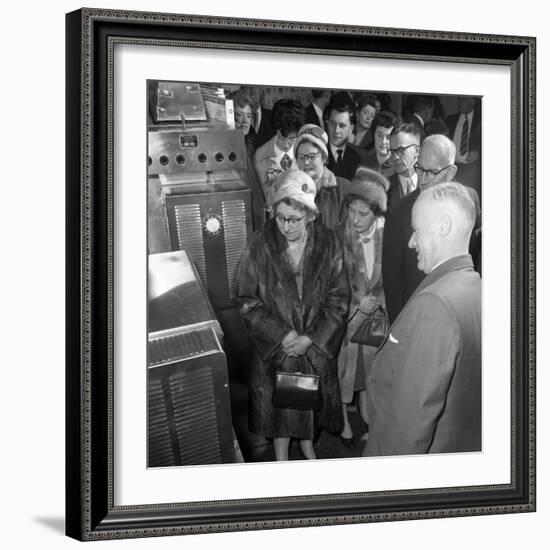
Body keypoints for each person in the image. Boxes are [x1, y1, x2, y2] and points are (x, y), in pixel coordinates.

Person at [234, 169, 350, 461]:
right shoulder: (259, 245)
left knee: (308, 405)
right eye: (280, 217)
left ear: (311, 215)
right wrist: (282, 335)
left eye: (294, 219)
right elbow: (247, 300)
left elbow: (339, 299)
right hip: (276, 349)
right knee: (281, 413)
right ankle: (281, 457)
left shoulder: (329, 244)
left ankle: (308, 445)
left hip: (313, 348)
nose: (285, 227)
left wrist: (311, 338)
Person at [363, 182, 481, 456]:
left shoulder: (435, 306)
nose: (410, 242)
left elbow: (407, 427)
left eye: (416, 230)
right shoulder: (476, 287)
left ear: (443, 226)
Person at [382, 133, 481, 323]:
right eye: (419, 169)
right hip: (419, 318)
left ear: (450, 172)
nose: (423, 179)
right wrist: (400, 330)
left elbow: (476, 257)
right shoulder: (400, 214)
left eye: (432, 172)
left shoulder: (470, 200)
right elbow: (392, 282)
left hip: (462, 313)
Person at [334, 168, 389, 448]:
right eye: (351, 211)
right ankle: (344, 422)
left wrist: (376, 302)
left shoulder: (388, 236)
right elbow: (332, 286)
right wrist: (358, 303)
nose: (354, 219)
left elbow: (391, 280)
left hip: (375, 324)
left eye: (362, 213)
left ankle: (370, 421)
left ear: (377, 213)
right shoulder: (337, 237)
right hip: (346, 324)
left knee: (370, 375)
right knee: (344, 376)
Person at [293, 123, 348, 230]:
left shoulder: (343, 190)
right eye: (301, 157)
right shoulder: (290, 191)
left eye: (311, 156)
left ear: (323, 157)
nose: (306, 162)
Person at [227, 89, 266, 230]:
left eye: (248, 116)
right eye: (239, 115)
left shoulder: (253, 143)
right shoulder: (226, 149)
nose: (245, 122)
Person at [254, 99, 305, 200]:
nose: (286, 145)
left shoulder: (306, 151)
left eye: (292, 139)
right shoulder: (260, 157)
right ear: (276, 130)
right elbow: (264, 201)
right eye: (281, 137)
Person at [385, 122, 421, 215]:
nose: (395, 157)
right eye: (392, 151)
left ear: (417, 151)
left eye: (401, 150)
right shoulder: (384, 188)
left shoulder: (429, 186)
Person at [325, 102, 367, 180]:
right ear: (327, 124)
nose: (336, 130)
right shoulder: (318, 152)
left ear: (351, 129)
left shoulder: (361, 156)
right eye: (332, 124)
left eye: (342, 125)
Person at [361, 110, 399, 178]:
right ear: (373, 135)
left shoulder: (398, 165)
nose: (383, 141)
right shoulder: (364, 161)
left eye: (388, 137)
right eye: (379, 135)